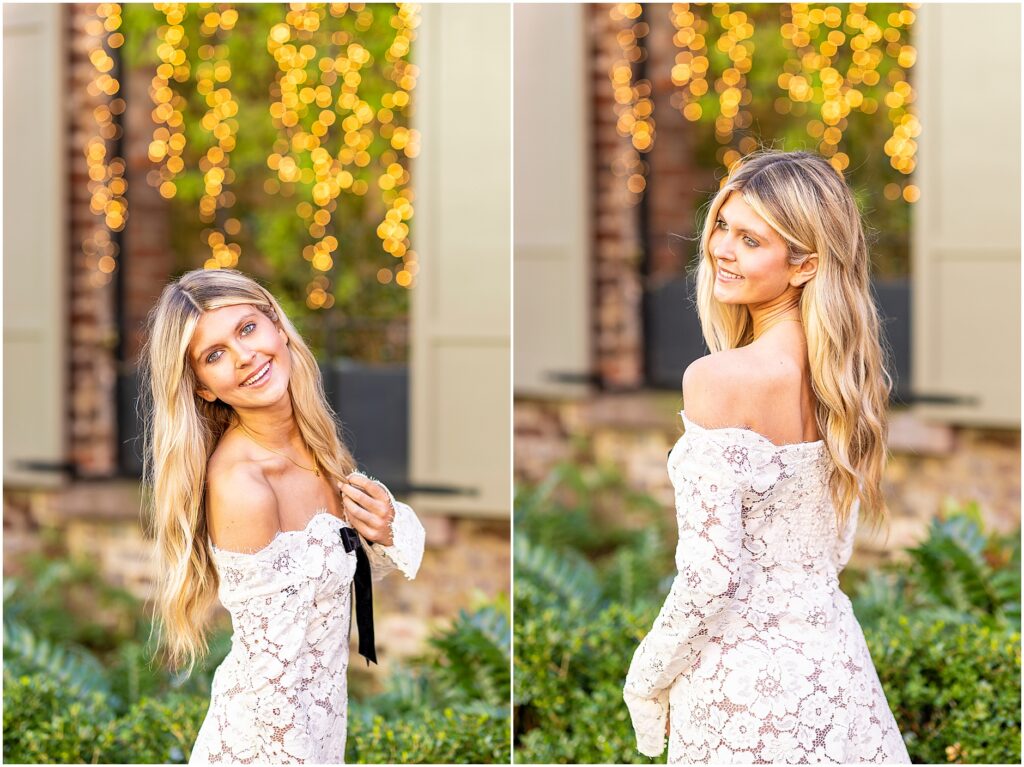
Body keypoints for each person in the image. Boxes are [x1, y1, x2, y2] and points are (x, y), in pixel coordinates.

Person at [623, 151, 911, 763]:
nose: (722, 250)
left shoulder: (718, 379)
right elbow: (834, 546)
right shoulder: (852, 382)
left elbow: (711, 576)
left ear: (804, 263)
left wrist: (646, 677)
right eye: (721, 227)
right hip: (838, 678)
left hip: (740, 689)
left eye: (750, 239)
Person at [139, 268, 424, 764]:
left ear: (275, 325)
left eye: (247, 329)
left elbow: (337, 570)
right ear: (202, 387)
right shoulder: (242, 485)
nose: (245, 356)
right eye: (215, 355)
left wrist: (386, 528)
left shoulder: (317, 444)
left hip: (321, 732)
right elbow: (274, 689)